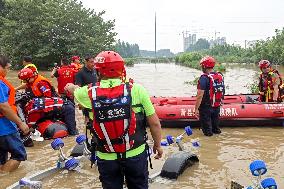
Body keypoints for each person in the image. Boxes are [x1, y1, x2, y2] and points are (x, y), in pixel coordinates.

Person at [65, 51, 163, 189]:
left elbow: (73, 89)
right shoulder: (137, 90)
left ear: (98, 71)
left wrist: (69, 86)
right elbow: (154, 123)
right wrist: (157, 145)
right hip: (135, 154)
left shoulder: (87, 93)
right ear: (122, 70)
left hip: (107, 157)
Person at [18, 68, 78, 135]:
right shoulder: (31, 82)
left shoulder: (41, 83)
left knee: (72, 131)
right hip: (54, 105)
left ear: (28, 78)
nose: (24, 82)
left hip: (61, 105)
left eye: (24, 80)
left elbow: (48, 96)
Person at [0, 55, 29, 172]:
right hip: (4, 127)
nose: (7, 71)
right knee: (19, 155)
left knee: (1, 159)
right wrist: (20, 123)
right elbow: (4, 107)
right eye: (7, 68)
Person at [194, 56, 225, 136]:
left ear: (204, 66)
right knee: (216, 129)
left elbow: (200, 95)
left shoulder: (204, 78)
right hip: (216, 107)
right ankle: (217, 145)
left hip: (206, 108)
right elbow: (222, 90)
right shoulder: (219, 75)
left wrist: (196, 109)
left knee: (207, 133)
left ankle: (209, 147)